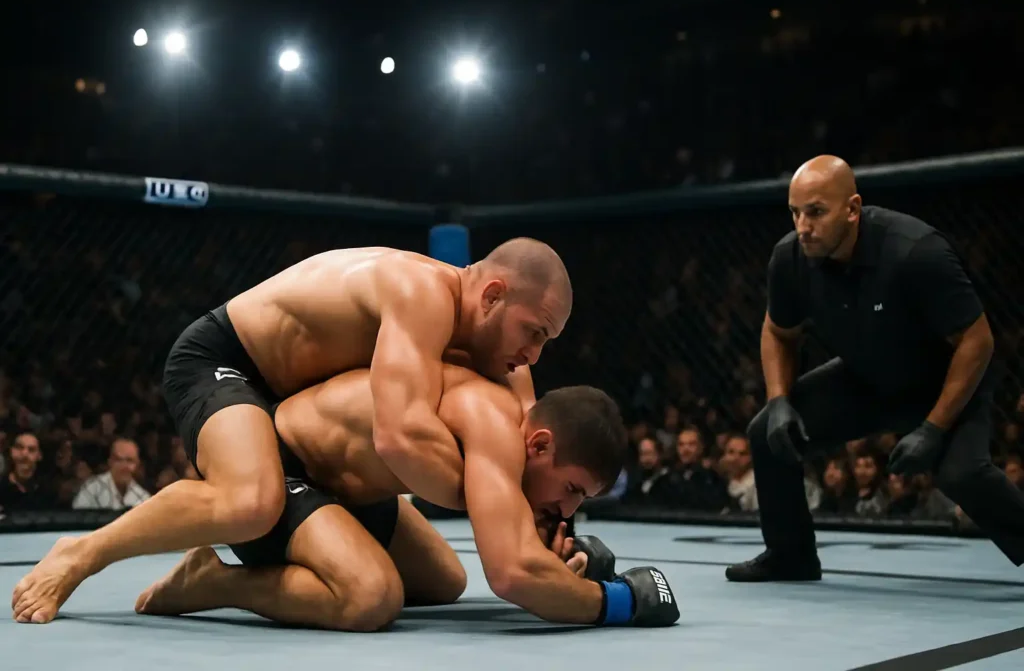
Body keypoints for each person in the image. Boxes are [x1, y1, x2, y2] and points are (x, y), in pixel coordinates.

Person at [13, 239, 573, 624]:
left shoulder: (504, 355)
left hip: (302, 427)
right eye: (534, 331)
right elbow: (400, 438)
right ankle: (85, 551)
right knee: (252, 501)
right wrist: (496, 504)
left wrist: (542, 531)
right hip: (229, 363)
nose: (533, 352)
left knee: (441, 580)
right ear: (493, 295)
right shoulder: (422, 294)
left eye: (547, 341)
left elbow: (521, 457)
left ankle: (225, 570)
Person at [133, 361, 679, 629]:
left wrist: (554, 564)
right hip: (281, 467)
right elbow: (512, 575)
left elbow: (521, 556)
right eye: (571, 489)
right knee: (372, 598)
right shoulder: (493, 425)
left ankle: (325, 546)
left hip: (351, 489)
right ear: (539, 444)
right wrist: (619, 603)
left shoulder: (514, 438)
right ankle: (214, 581)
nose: (568, 509)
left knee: (445, 580)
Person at [726, 154, 1024, 582]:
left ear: (852, 208)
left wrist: (934, 427)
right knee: (767, 433)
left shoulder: (915, 252)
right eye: (794, 212)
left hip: (943, 382)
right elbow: (778, 332)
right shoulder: (791, 258)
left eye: (815, 212)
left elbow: (977, 342)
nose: (802, 226)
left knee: (962, 474)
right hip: (866, 376)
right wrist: (778, 401)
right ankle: (790, 555)